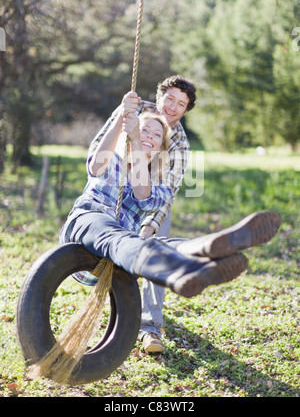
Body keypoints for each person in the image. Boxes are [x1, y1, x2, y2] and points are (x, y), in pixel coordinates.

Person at [59, 97, 281, 337]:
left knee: (156, 243)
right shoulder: (112, 158)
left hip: (118, 259)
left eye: (156, 136)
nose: (149, 137)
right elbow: (95, 167)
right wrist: (122, 120)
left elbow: (142, 194)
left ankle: (204, 252)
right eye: (145, 130)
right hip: (84, 233)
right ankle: (175, 269)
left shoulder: (159, 187)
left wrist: (136, 140)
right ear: (129, 131)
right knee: (115, 234)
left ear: (159, 151)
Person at [87, 75, 196, 352]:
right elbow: (99, 153)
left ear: (185, 110)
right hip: (115, 187)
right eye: (169, 98)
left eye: (180, 104)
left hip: (152, 198)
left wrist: (150, 225)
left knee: (153, 249)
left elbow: (166, 194)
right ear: (159, 96)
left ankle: (149, 327)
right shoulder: (133, 109)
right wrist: (124, 113)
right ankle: (112, 295)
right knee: (109, 246)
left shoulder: (180, 144)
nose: (172, 107)